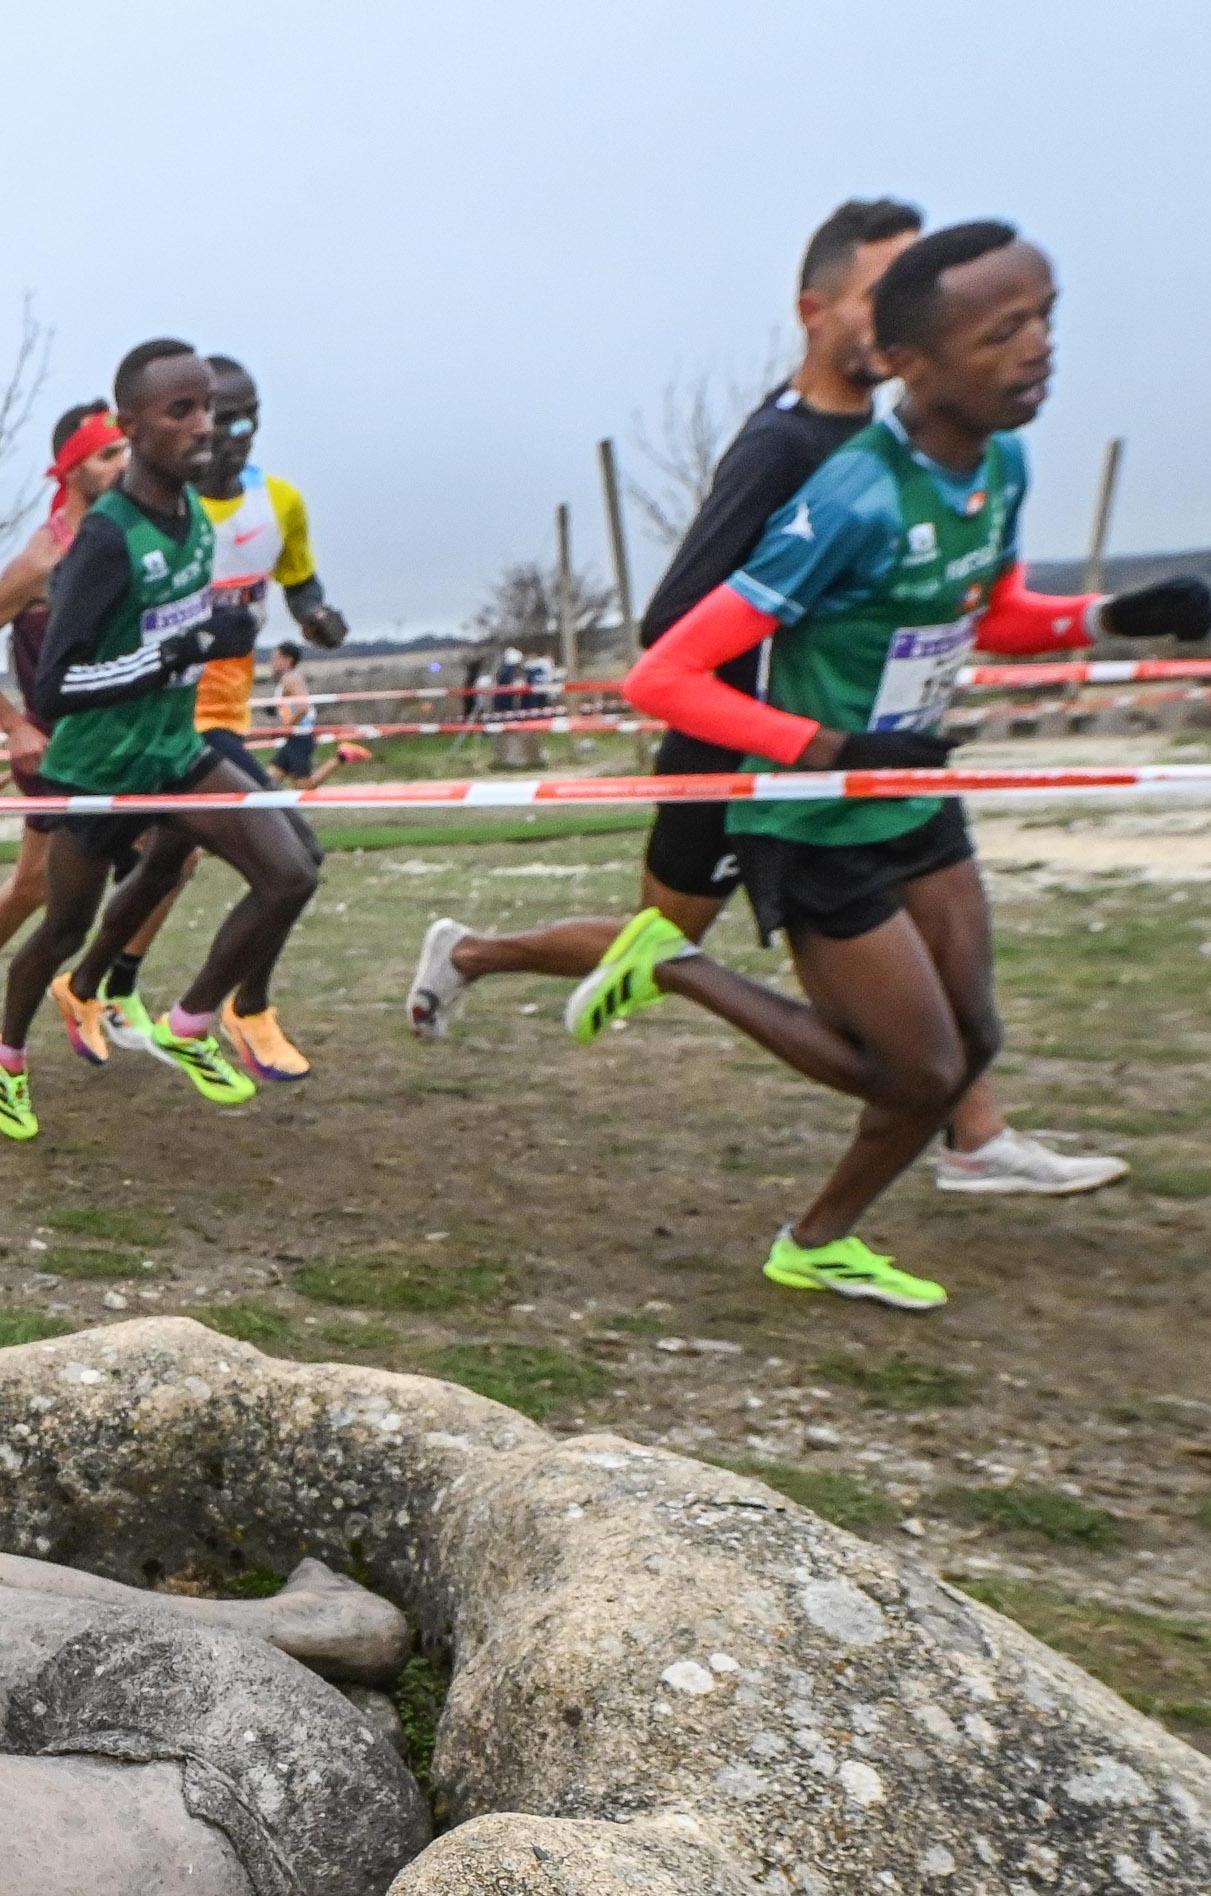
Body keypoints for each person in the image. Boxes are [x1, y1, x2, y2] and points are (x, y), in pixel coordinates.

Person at [405, 197, 1126, 1200]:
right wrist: (797, 699)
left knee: (926, 952)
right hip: (739, 749)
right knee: (662, 942)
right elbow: (671, 623)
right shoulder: (786, 450)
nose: (898, 320)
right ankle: (471, 951)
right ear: (816, 310)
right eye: (881, 296)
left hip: (833, 751)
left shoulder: (902, 437)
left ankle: (973, 1129)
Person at [575, 223, 1211, 1308]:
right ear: (909, 361)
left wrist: (1108, 616)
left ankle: (817, 1240)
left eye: (1043, 317)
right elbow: (661, 674)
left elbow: (988, 613)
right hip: (816, 813)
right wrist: (830, 747)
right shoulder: (850, 498)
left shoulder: (999, 460)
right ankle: (675, 966)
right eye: (1001, 331)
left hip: (913, 793)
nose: (1037, 348)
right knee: (914, 1070)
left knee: (970, 1044)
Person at [0, 339, 318, 1139]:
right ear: (133, 428)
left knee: (292, 871)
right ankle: (10, 1052)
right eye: (182, 411)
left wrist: (215, 628)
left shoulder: (196, 514)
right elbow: (59, 685)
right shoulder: (105, 538)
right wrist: (176, 651)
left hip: (176, 749)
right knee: (61, 930)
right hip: (100, 766)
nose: (205, 426)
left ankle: (191, 1022)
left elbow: (179, 626)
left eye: (209, 407)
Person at [96, 355, 349, 1080]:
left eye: (246, 419)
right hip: (171, 720)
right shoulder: (156, 510)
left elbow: (301, 582)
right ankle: (225, 1011)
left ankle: (91, 985)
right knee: (294, 860)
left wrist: (319, 616)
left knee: (162, 868)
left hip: (227, 715)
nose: (230, 433)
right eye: (216, 416)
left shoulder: (282, 503)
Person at [0, 404, 132, 1047]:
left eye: (127, 449)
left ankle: (104, 990)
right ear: (72, 469)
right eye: (108, 454)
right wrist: (15, 726)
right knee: (34, 888)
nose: (125, 463)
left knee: (162, 859)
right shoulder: (43, 559)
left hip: (115, 742)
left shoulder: (123, 540)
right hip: (55, 749)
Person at [271, 642, 320, 780]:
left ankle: (341, 757)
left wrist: (286, 727)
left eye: (276, 658)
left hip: (300, 736)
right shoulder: (287, 679)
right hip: (293, 737)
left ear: (288, 660)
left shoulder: (291, 679)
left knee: (304, 786)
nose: (272, 663)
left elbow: (304, 707)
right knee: (269, 782)